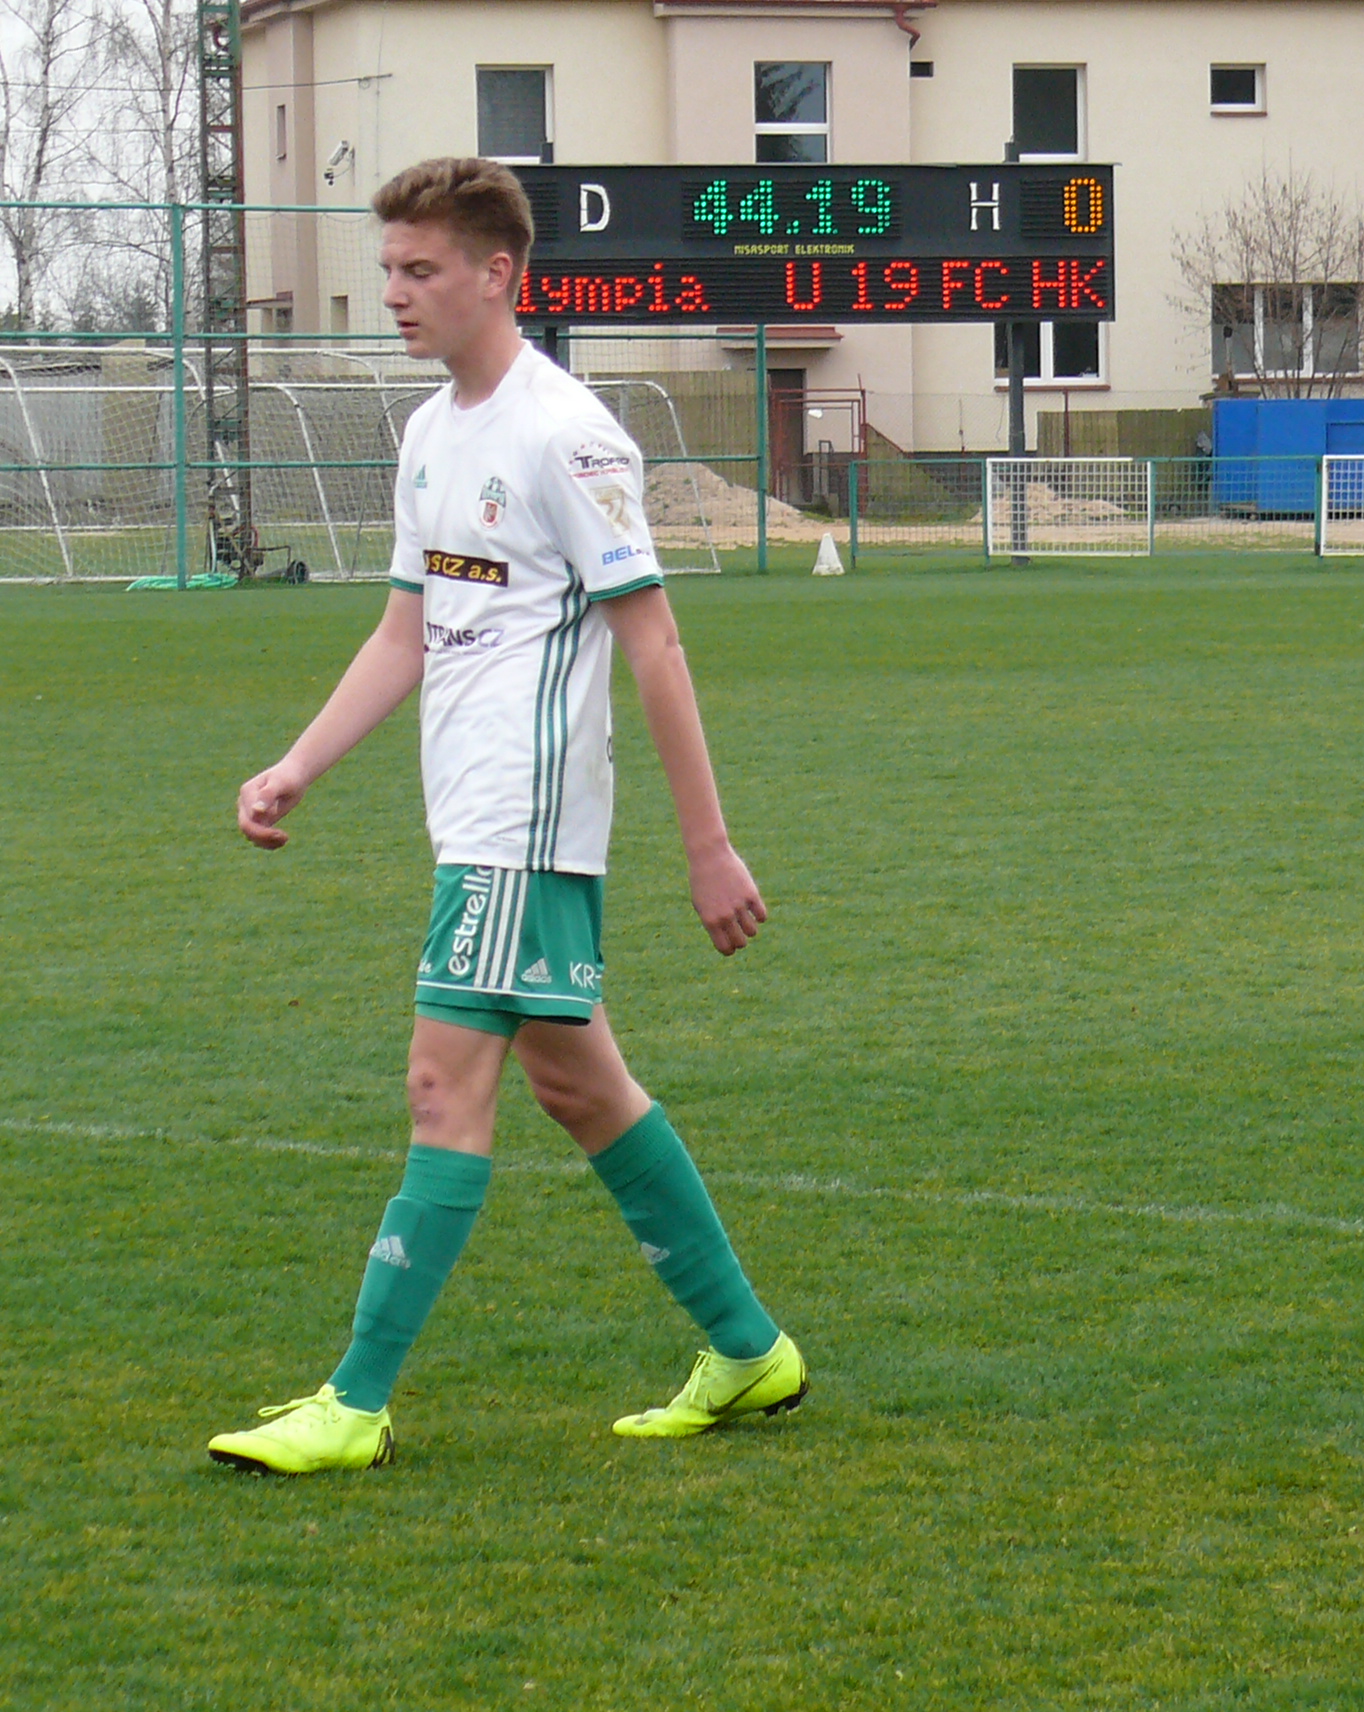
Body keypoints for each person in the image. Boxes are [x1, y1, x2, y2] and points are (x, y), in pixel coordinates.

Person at [208, 158, 807, 1474]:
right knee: (579, 1085)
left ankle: (353, 1403)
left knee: (442, 1087)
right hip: (474, 817)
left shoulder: (566, 434)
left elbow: (654, 642)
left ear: (498, 274)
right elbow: (406, 630)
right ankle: (749, 1348)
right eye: (390, 269)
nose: (396, 293)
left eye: (420, 270)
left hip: (522, 829)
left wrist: (707, 845)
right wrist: (299, 764)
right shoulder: (431, 432)